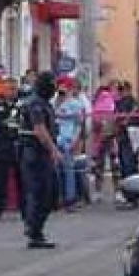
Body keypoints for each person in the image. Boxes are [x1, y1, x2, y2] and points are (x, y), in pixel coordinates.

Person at [17, 71, 62, 249]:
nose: (54, 89)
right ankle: (34, 231)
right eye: (51, 85)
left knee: (49, 192)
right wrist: (53, 150)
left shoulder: (44, 103)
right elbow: (39, 129)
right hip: (35, 152)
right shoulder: (35, 103)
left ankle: (35, 228)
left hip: (40, 153)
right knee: (40, 192)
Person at [0, 79, 23, 221]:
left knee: (22, 178)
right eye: (8, 89)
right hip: (1, 146)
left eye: (13, 89)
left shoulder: (22, 104)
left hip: (19, 145)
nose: (11, 92)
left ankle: (25, 208)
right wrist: (6, 124)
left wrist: (8, 124)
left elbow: (23, 122)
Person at [54, 77, 88, 210]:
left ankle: (70, 199)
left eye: (64, 88)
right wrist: (57, 101)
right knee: (56, 170)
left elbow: (79, 124)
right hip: (55, 139)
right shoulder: (53, 102)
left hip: (68, 139)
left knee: (69, 169)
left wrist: (75, 139)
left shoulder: (76, 104)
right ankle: (57, 197)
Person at [113, 81, 139, 201]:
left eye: (123, 89)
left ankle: (132, 196)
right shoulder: (120, 103)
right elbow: (116, 118)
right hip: (123, 138)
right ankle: (130, 195)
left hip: (131, 139)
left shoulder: (133, 102)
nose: (122, 92)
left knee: (129, 166)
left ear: (129, 90)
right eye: (120, 90)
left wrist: (128, 119)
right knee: (126, 166)